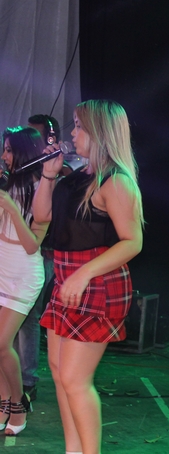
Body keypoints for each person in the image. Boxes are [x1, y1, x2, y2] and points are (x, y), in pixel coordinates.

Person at [33, 100, 144, 454]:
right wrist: (49, 174)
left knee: (74, 379)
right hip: (69, 279)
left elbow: (132, 242)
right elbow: (41, 216)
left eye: (79, 126)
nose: (72, 133)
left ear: (100, 132)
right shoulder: (77, 176)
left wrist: (83, 275)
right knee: (58, 371)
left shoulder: (117, 181)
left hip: (97, 283)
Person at [14, 114, 68, 403]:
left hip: (42, 254)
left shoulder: (55, 175)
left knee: (27, 316)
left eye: (36, 137)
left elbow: (44, 221)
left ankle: (27, 379)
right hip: (15, 255)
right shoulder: (18, 174)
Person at [0, 127, 48, 435]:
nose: (4, 156)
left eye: (8, 150)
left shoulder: (41, 189)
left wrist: (11, 208)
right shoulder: (7, 184)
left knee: (1, 344)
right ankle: (3, 402)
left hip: (24, 274)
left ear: (23, 153)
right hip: (2, 269)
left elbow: (32, 245)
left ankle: (18, 405)